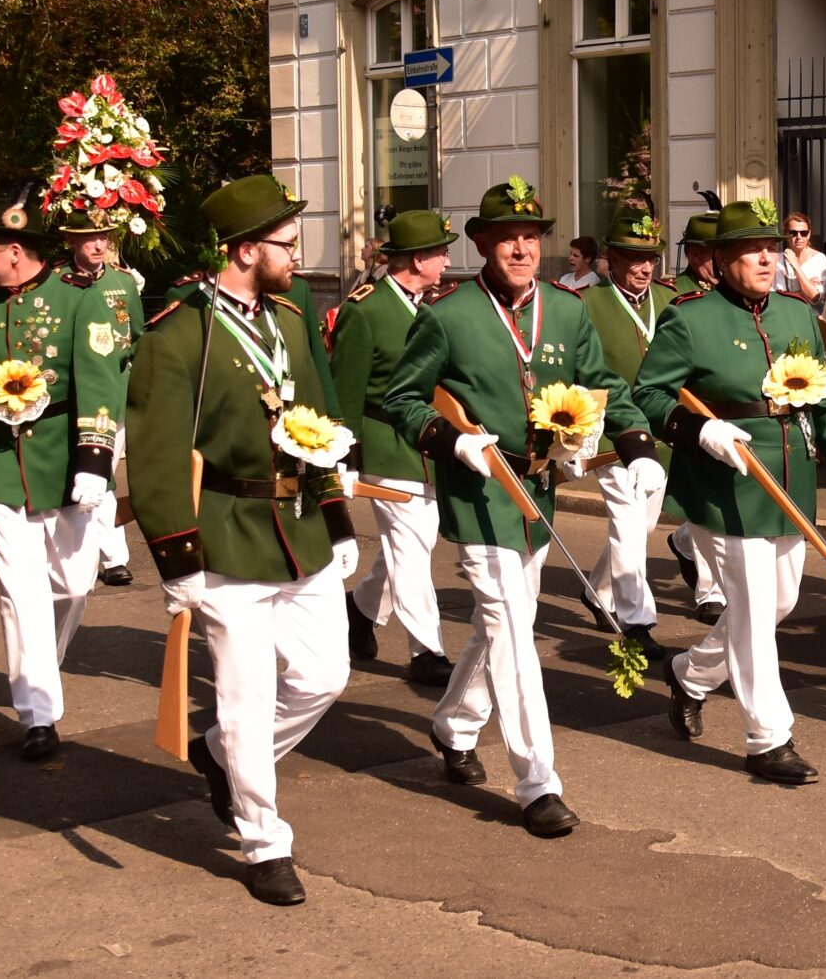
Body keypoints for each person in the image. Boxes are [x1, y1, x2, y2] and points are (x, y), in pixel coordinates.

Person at [381, 177, 660, 838]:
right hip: (479, 490)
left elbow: (603, 384)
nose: (520, 249)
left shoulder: (566, 310)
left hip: (538, 489)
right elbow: (401, 399)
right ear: (481, 244)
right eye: (506, 238)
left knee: (503, 624)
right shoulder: (448, 315)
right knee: (511, 627)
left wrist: (636, 444)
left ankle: (454, 726)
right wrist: (452, 441)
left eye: (530, 238)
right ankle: (538, 782)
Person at [129, 176, 354, 907]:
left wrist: (337, 517)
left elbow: (318, 422)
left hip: (299, 529)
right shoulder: (179, 335)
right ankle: (264, 842)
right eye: (286, 243)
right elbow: (158, 452)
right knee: (247, 696)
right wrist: (176, 555)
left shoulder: (289, 318)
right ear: (247, 250)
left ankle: (221, 753)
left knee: (325, 677)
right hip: (226, 534)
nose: (297, 254)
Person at [635, 198, 826, 784]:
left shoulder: (796, 313)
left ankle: (689, 674)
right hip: (726, 482)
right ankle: (769, 738)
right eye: (751, 249)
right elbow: (649, 395)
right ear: (720, 258)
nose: (766, 258)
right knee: (756, 612)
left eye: (771, 248)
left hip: (790, 476)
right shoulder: (690, 317)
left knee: (778, 603)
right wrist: (700, 431)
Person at [0, 195, 128, 763]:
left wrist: (95, 461)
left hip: (64, 456)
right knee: (20, 593)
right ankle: (38, 713)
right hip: (1, 462)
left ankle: (44, 660)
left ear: (14, 251)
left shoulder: (79, 299)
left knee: (73, 586)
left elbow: (101, 383)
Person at [327, 208, 460, 687]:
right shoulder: (365, 310)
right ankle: (427, 651)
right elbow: (345, 387)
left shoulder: (433, 306)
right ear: (418, 259)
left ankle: (362, 609)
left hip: (427, 444)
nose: (448, 261)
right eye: (441, 253)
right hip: (386, 444)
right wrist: (344, 456)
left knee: (410, 542)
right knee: (411, 546)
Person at [574, 204, 675, 652]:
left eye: (650, 258)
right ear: (610, 259)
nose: (644, 268)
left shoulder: (669, 301)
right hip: (612, 431)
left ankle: (597, 590)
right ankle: (637, 623)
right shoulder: (585, 304)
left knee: (643, 525)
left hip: (662, 433)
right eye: (634, 258)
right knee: (629, 521)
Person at [59, 214, 143, 586]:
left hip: (112, 392)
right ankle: (82, 557)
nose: (98, 245)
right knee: (76, 476)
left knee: (103, 473)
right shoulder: (56, 281)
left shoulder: (123, 282)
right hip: (69, 393)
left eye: (103, 237)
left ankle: (112, 558)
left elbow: (137, 336)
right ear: (71, 242)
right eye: (89, 238)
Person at [656, 211, 724, 621]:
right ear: (695, 255)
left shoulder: (733, 292)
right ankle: (709, 592)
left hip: (729, 410)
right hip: (690, 412)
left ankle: (682, 540)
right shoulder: (673, 296)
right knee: (703, 498)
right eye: (715, 253)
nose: (722, 261)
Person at [774, 212, 826, 318]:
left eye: (803, 233)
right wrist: (802, 291)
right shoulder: (777, 260)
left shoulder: (819, 259)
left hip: (809, 316)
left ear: (809, 234)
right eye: (793, 233)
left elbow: (814, 297)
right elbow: (774, 297)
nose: (799, 237)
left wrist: (796, 266)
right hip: (782, 316)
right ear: (786, 234)